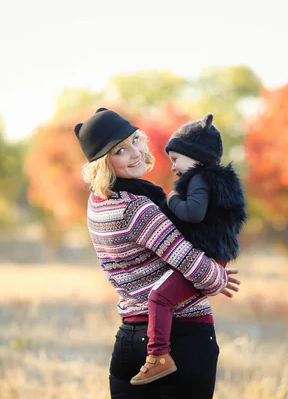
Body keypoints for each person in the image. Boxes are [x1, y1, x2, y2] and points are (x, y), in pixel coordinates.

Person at [75, 107, 240, 399]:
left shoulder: (97, 204)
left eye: (135, 140)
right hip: (182, 337)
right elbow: (205, 276)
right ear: (103, 163)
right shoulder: (137, 208)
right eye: (120, 151)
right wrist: (218, 274)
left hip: (129, 338)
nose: (136, 152)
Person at [130, 113, 247, 385]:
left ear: (196, 156)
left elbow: (193, 214)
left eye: (175, 159)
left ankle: (158, 356)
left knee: (160, 298)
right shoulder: (212, 180)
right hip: (213, 253)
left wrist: (171, 199)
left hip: (209, 253)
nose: (172, 167)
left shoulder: (198, 180)